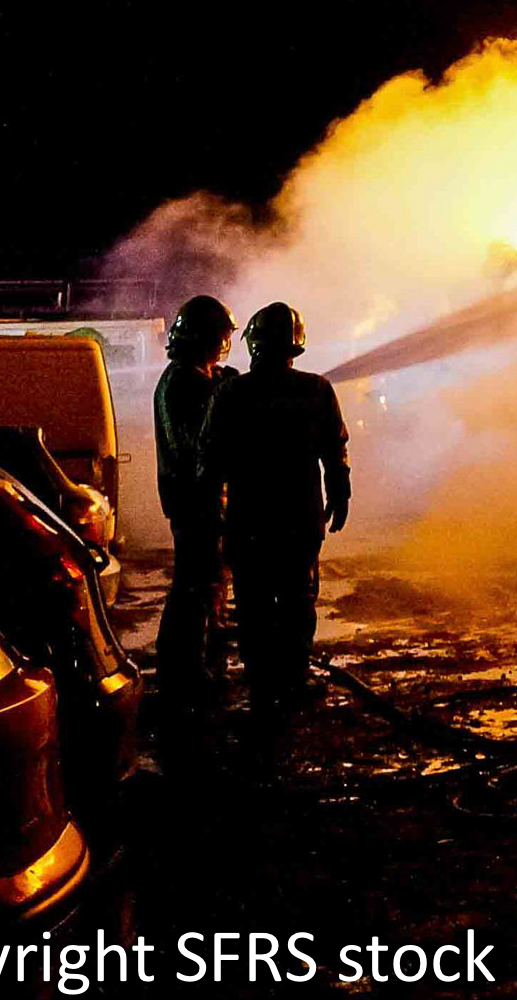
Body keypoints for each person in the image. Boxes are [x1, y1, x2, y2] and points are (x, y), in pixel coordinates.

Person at [201, 301, 350, 720]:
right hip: (300, 518)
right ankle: (293, 677)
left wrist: (211, 511)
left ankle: (262, 683)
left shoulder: (231, 393)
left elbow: (209, 458)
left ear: (253, 342)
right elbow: (334, 450)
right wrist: (340, 494)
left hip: (249, 518)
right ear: (295, 345)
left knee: (253, 602)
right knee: (298, 600)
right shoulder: (317, 390)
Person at [153, 295, 237, 700]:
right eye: (220, 337)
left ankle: (194, 667)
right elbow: (201, 440)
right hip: (197, 500)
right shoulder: (186, 383)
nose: (223, 346)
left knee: (203, 585)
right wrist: (223, 392)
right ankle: (187, 672)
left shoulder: (184, 378)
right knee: (197, 588)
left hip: (193, 499)